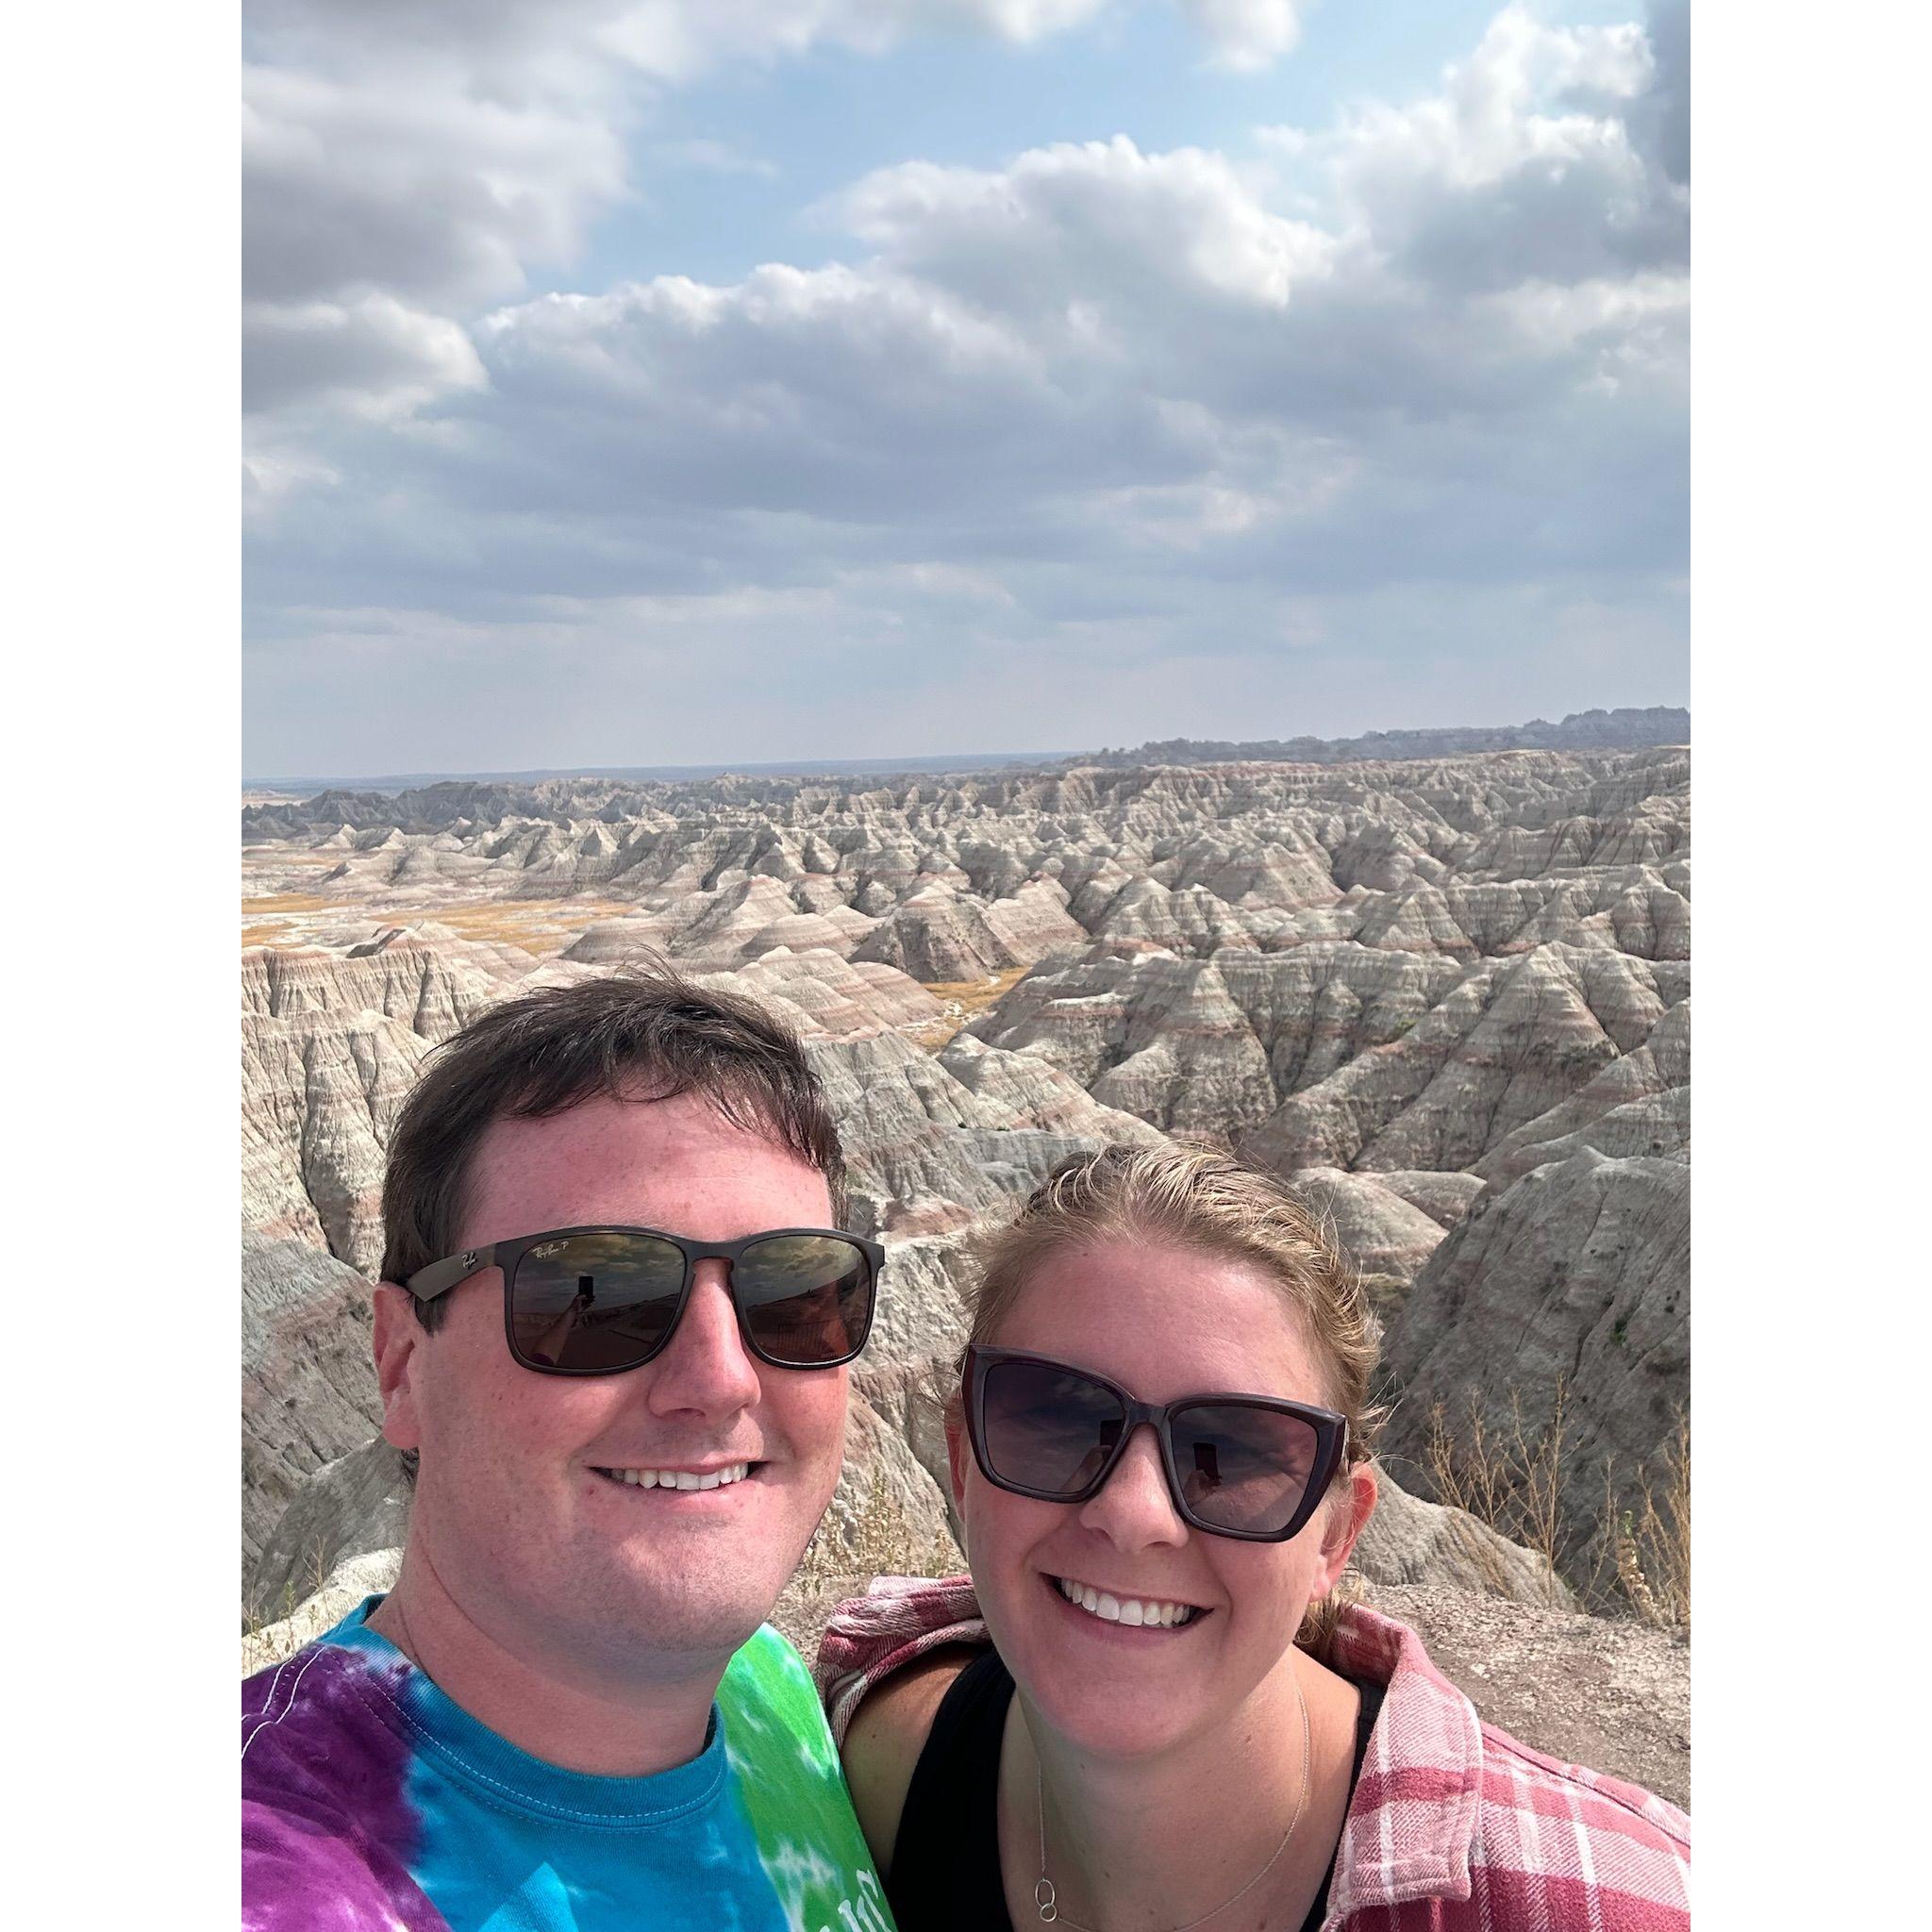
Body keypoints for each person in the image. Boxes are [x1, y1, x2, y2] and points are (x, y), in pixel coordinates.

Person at [819, 1143, 1690, 1931]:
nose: (1133, 1513)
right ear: (963, 1461)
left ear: (1333, 1535)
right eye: (1056, 1415)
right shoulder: (862, 1770)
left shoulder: (1610, 1906)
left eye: (1230, 1452)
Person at [243, 970, 897, 1932]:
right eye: (595, 1294)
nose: (720, 1378)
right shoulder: (274, 1875)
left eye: (790, 1291)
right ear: (400, 1365)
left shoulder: (763, 1690)